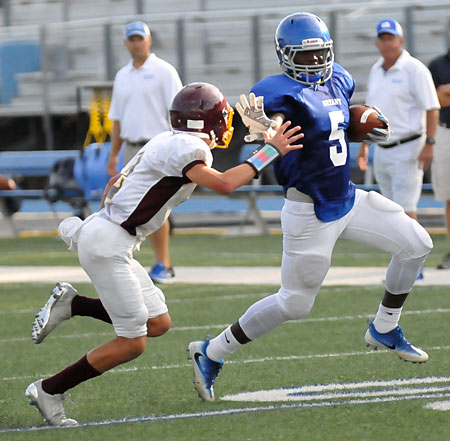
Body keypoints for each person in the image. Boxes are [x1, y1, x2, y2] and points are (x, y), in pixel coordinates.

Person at [187, 12, 433, 403]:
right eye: (305, 56)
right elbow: (263, 118)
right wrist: (263, 128)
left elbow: (335, 124)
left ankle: (385, 328)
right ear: (285, 55)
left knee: (417, 244)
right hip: (309, 211)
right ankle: (211, 351)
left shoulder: (341, 79)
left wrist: (361, 124)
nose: (315, 63)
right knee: (294, 304)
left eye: (320, 54)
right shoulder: (276, 90)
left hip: (348, 198)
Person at [24, 82, 303, 426]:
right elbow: (226, 184)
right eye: (220, 118)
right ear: (205, 122)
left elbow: (116, 184)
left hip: (110, 238)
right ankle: (50, 390)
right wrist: (270, 151)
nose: (225, 124)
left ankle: (73, 304)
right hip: (107, 245)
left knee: (158, 323)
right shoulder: (187, 148)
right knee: (132, 344)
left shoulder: (168, 140)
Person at [356, 19, 440, 279]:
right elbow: (370, 115)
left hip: (409, 145)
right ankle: (401, 263)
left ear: (401, 40)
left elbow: (432, 107)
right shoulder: (376, 69)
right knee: (391, 209)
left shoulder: (414, 69)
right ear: (377, 43)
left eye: (391, 37)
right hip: (383, 147)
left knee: (406, 207)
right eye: (383, 38)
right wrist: (364, 146)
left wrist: (429, 143)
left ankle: (413, 267)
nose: (387, 42)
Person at [107, 21, 183, 283]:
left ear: (149, 40)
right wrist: (113, 154)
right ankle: (130, 261)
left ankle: (164, 263)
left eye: (141, 38)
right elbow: (116, 118)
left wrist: (177, 146)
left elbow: (178, 111)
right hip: (131, 146)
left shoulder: (164, 71)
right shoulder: (122, 75)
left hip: (158, 146)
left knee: (155, 204)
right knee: (127, 204)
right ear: (126, 43)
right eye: (133, 39)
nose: (137, 43)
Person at [428, 20, 450, 269]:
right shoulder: (437, 65)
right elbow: (433, 99)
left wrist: (447, 92)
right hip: (445, 133)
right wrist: (442, 95)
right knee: (449, 198)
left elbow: (443, 95)